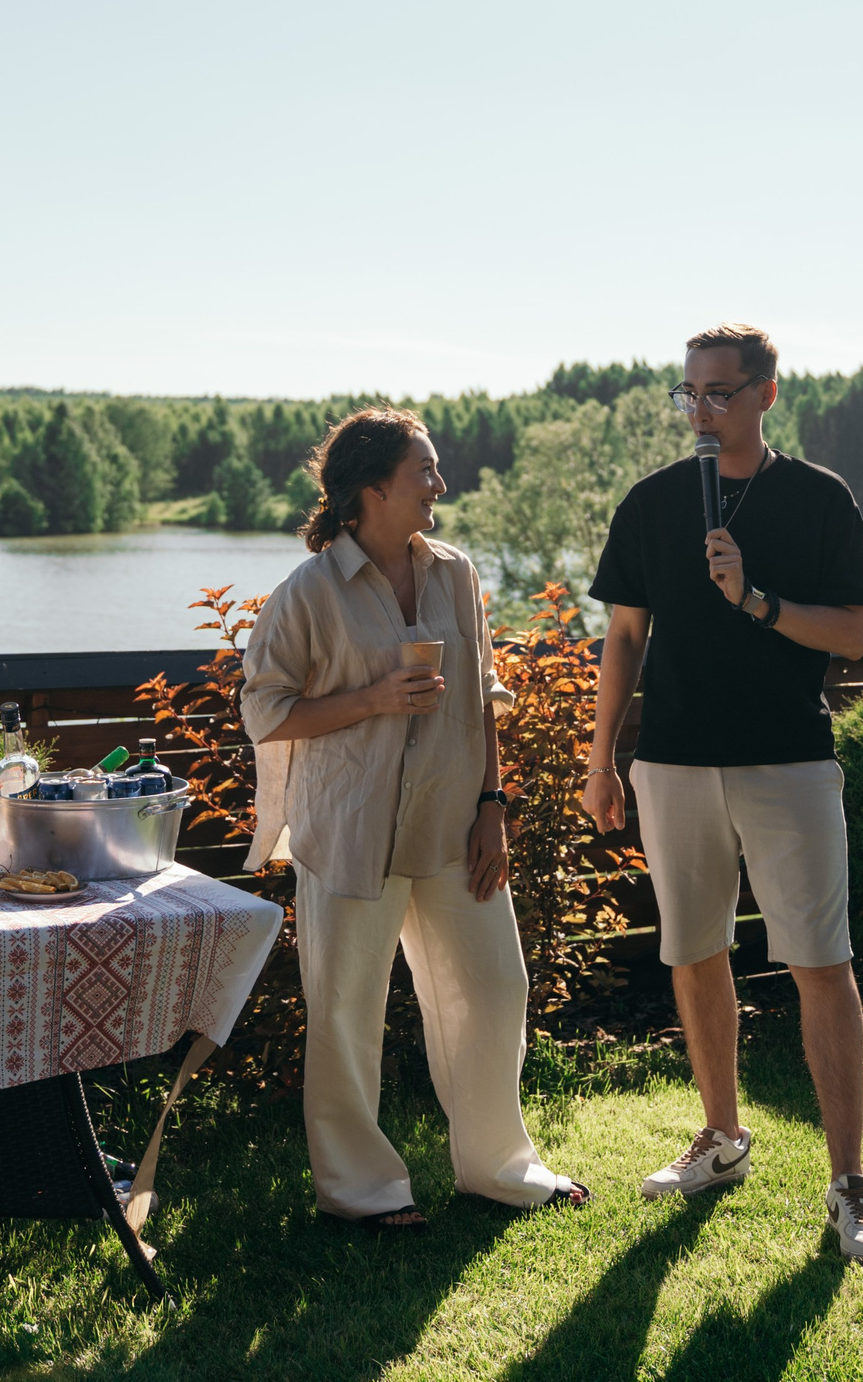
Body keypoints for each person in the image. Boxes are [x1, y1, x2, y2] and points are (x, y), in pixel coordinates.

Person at [581, 323, 863, 1265]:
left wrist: (758, 600)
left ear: (766, 392)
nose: (702, 410)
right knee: (694, 951)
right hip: (673, 762)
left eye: (719, 392)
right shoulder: (652, 502)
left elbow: (853, 635)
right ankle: (721, 1138)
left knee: (821, 961)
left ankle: (849, 1184)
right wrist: (602, 759)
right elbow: (625, 637)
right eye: (690, 393)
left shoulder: (819, 498)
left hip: (786, 761)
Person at [241, 406, 587, 1231]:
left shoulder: (455, 573)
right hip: (349, 832)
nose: (441, 484)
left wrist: (493, 805)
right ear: (373, 488)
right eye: (424, 470)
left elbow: (483, 697)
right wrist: (371, 699)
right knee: (345, 1013)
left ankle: (499, 1168)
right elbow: (265, 712)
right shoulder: (308, 592)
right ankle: (362, 1191)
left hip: (451, 825)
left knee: (496, 987)